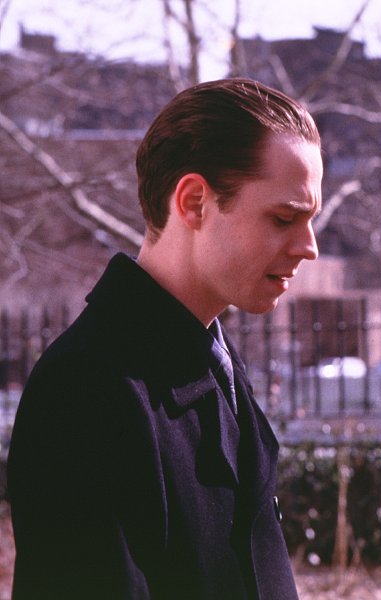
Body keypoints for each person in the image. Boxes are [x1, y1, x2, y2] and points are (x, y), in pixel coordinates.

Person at [7, 78, 321, 599]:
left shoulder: (209, 358)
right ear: (194, 202)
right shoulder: (85, 389)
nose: (309, 246)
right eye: (284, 217)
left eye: (309, 219)